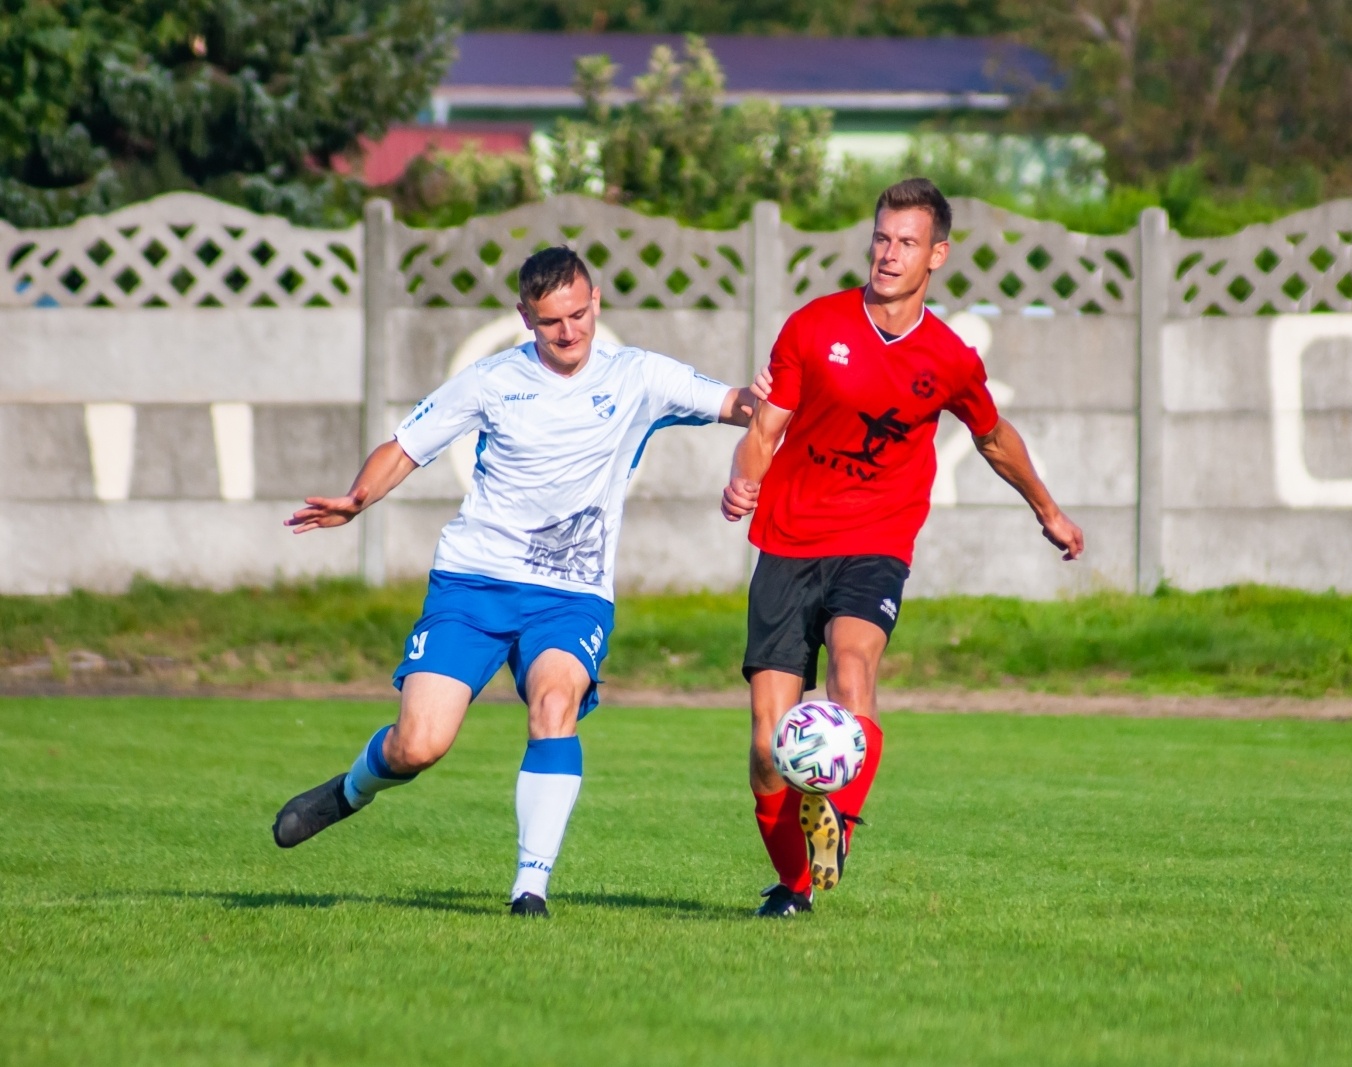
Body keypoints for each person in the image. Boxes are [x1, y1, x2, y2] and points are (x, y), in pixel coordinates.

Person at [272, 246, 760, 918]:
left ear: (596, 302)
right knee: (419, 744)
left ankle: (529, 887)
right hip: (473, 585)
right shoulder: (491, 380)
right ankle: (350, 789)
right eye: (553, 320)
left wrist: (782, 392)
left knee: (554, 703)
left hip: (570, 594)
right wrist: (357, 499)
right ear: (525, 317)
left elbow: (738, 403)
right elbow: (407, 445)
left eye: (581, 313)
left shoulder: (639, 375)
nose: (571, 332)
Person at [721, 178, 1086, 917]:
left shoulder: (948, 357)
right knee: (767, 748)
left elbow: (992, 437)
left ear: (937, 255)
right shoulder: (813, 325)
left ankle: (839, 826)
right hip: (788, 540)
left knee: (853, 674)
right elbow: (767, 426)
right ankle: (794, 886)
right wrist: (742, 482)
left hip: (875, 540)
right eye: (882, 238)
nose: (889, 254)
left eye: (907, 242)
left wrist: (1047, 508)